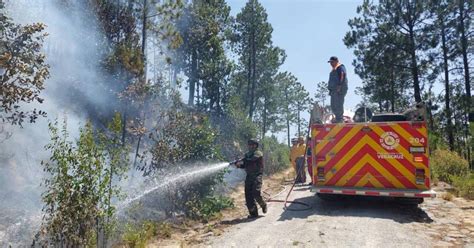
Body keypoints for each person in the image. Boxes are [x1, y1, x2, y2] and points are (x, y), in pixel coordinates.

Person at [235, 139, 267, 218]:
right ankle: (253, 213)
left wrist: (243, 159)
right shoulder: (247, 155)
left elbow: (252, 160)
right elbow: (246, 165)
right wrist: (239, 165)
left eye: (253, 145)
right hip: (249, 176)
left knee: (256, 192)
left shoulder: (258, 153)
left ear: (256, 145)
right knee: (248, 195)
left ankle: (263, 204)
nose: (251, 146)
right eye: (250, 145)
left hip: (257, 175)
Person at [327, 56, 348, 123]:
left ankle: (339, 119)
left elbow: (342, 75)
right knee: (333, 104)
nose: (331, 64)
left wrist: (339, 85)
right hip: (334, 90)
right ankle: (338, 117)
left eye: (332, 62)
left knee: (338, 103)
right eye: (330, 62)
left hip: (339, 89)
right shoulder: (334, 69)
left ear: (336, 61)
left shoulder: (340, 67)